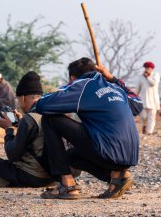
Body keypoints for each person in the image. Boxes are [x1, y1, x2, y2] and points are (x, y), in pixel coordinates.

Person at [36, 57, 143, 199]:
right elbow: (138, 104)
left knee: (49, 119)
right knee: (71, 157)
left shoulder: (82, 86)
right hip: (130, 156)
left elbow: (42, 105)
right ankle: (118, 176)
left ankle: (67, 186)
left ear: (72, 78)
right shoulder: (116, 88)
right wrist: (112, 78)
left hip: (108, 151)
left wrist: (68, 88)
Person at [137, 61, 160, 135]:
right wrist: (135, 95)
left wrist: (148, 77)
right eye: (146, 68)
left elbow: (153, 84)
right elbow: (138, 88)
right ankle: (144, 125)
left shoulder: (156, 75)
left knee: (151, 117)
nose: (147, 69)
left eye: (148, 68)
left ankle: (149, 132)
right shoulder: (141, 76)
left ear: (152, 68)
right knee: (143, 116)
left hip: (153, 100)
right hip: (143, 99)